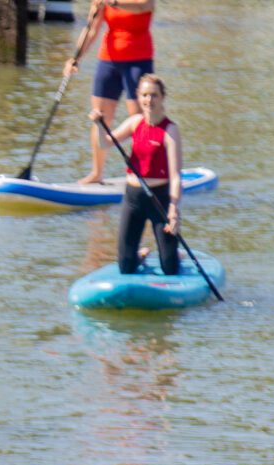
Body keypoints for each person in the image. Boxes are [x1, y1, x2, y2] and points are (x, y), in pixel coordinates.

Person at [64, 0, 156, 186]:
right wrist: (76, 58)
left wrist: (112, 2)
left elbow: (143, 6)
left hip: (138, 60)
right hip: (108, 60)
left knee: (139, 119)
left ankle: (143, 170)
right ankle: (97, 173)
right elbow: (91, 29)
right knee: (100, 118)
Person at [107, 74, 183, 276]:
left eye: (154, 95)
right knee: (125, 267)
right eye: (145, 95)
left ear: (162, 98)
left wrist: (174, 210)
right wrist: (97, 124)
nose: (149, 100)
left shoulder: (170, 130)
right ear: (139, 97)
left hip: (160, 200)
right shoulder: (134, 123)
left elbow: (175, 176)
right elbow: (103, 143)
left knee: (170, 268)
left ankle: (175, 254)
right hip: (133, 199)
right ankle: (138, 256)